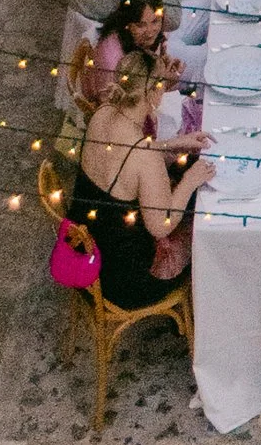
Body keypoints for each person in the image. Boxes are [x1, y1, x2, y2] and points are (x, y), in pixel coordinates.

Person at [71, 46, 210, 303]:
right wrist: (190, 181)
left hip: (84, 254)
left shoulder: (102, 114)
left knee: (181, 170)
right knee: (204, 228)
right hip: (124, 282)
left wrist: (173, 144)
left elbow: (123, 158)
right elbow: (161, 226)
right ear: (153, 94)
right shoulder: (143, 153)